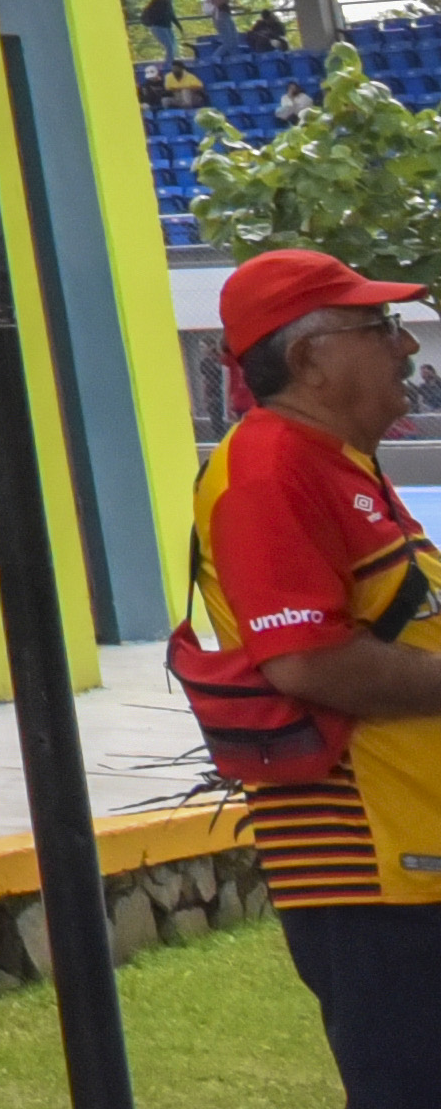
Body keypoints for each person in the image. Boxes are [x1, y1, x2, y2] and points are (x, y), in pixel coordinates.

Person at [186, 252, 441, 1098]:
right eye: (380, 328)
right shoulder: (270, 469)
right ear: (308, 360)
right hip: (374, 872)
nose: (406, 348)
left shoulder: (332, 460)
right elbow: (306, 659)